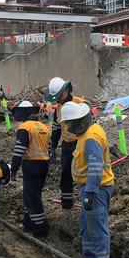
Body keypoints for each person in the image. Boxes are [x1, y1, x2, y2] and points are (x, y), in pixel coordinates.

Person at [59, 101, 114, 258]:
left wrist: (90, 191)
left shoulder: (91, 137)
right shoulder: (87, 133)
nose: (67, 127)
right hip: (90, 188)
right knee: (86, 225)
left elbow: (96, 165)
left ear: (78, 121)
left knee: (97, 226)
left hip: (96, 189)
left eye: (69, 123)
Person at [45, 76, 88, 210]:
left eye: (58, 96)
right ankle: (67, 204)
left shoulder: (81, 103)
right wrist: (53, 146)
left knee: (84, 172)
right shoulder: (58, 107)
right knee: (66, 174)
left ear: (65, 91)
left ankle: (87, 201)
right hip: (67, 144)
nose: (57, 99)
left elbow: (90, 126)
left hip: (80, 142)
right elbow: (57, 128)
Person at [10, 101, 51, 238]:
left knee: (32, 198)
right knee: (31, 195)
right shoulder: (43, 127)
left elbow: (19, 150)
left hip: (31, 164)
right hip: (44, 164)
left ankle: (40, 229)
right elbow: (49, 147)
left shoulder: (25, 127)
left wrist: (14, 168)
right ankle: (28, 223)